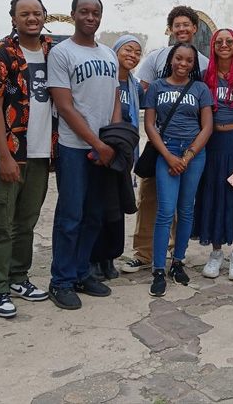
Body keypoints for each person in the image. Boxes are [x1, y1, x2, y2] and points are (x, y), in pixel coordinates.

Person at [0, 0, 54, 319]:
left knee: (27, 220)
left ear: (44, 16)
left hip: (41, 151)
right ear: (13, 18)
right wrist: (4, 156)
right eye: (24, 14)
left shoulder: (54, 51)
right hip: (9, 152)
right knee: (1, 222)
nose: (31, 18)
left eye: (37, 13)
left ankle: (18, 277)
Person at [46, 0, 121, 310]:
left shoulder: (109, 54)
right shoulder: (62, 53)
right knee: (71, 215)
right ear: (73, 14)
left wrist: (114, 140)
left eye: (96, 13)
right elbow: (64, 105)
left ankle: (81, 272)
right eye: (85, 12)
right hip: (76, 148)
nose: (91, 17)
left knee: (94, 215)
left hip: (104, 150)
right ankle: (60, 281)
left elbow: (115, 98)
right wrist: (97, 143)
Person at [122, 6, 209, 274]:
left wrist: (190, 153)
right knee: (151, 200)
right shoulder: (155, 58)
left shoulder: (205, 63)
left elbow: (204, 107)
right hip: (161, 144)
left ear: (195, 28)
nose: (182, 29)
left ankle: (173, 252)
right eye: (177, 25)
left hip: (190, 147)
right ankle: (144, 253)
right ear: (170, 29)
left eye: (187, 25)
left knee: (182, 204)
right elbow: (143, 95)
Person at [143, 43, 213, 296]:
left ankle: (178, 262)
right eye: (179, 59)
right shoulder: (157, 87)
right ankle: (158, 269)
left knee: (186, 210)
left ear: (194, 64)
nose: (183, 64)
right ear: (171, 60)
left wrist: (188, 155)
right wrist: (169, 157)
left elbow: (207, 126)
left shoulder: (200, 89)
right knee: (165, 211)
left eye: (189, 60)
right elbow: (150, 125)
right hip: (167, 150)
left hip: (194, 153)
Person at [192, 29, 233, 281]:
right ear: (212, 46)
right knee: (212, 194)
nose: (223, 45)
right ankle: (216, 252)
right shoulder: (203, 77)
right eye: (218, 41)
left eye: (229, 41)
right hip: (211, 143)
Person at [90, 34, 144, 281]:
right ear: (116, 51)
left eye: (137, 52)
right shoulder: (104, 80)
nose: (132, 55)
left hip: (123, 156)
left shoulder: (133, 85)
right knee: (96, 207)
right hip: (102, 151)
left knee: (116, 209)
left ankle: (109, 257)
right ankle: (92, 258)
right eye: (128, 50)